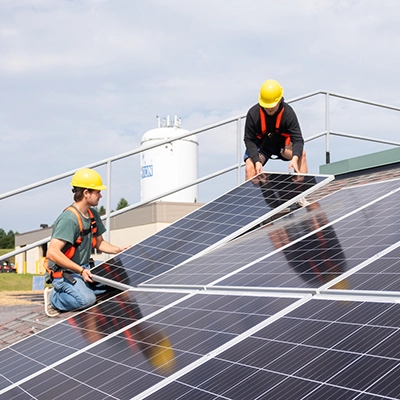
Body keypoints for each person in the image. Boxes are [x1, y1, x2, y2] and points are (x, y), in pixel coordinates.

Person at [44, 168, 129, 317]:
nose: (101, 195)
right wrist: (80, 271)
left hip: (85, 270)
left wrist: (118, 249)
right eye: (97, 191)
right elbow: (52, 252)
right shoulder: (68, 219)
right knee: (86, 300)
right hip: (65, 274)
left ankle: (84, 288)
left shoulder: (92, 214)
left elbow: (99, 243)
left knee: (120, 282)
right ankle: (55, 298)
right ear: (86, 193)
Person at [244, 79, 308, 181]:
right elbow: (248, 139)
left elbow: (298, 140)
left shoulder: (288, 113)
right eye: (266, 105)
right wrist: (257, 161)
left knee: (301, 155)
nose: (269, 109)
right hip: (262, 147)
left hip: (282, 146)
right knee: (250, 166)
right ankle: (252, 196)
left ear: (279, 100)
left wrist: (295, 158)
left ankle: (301, 192)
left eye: (272, 106)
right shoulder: (253, 114)